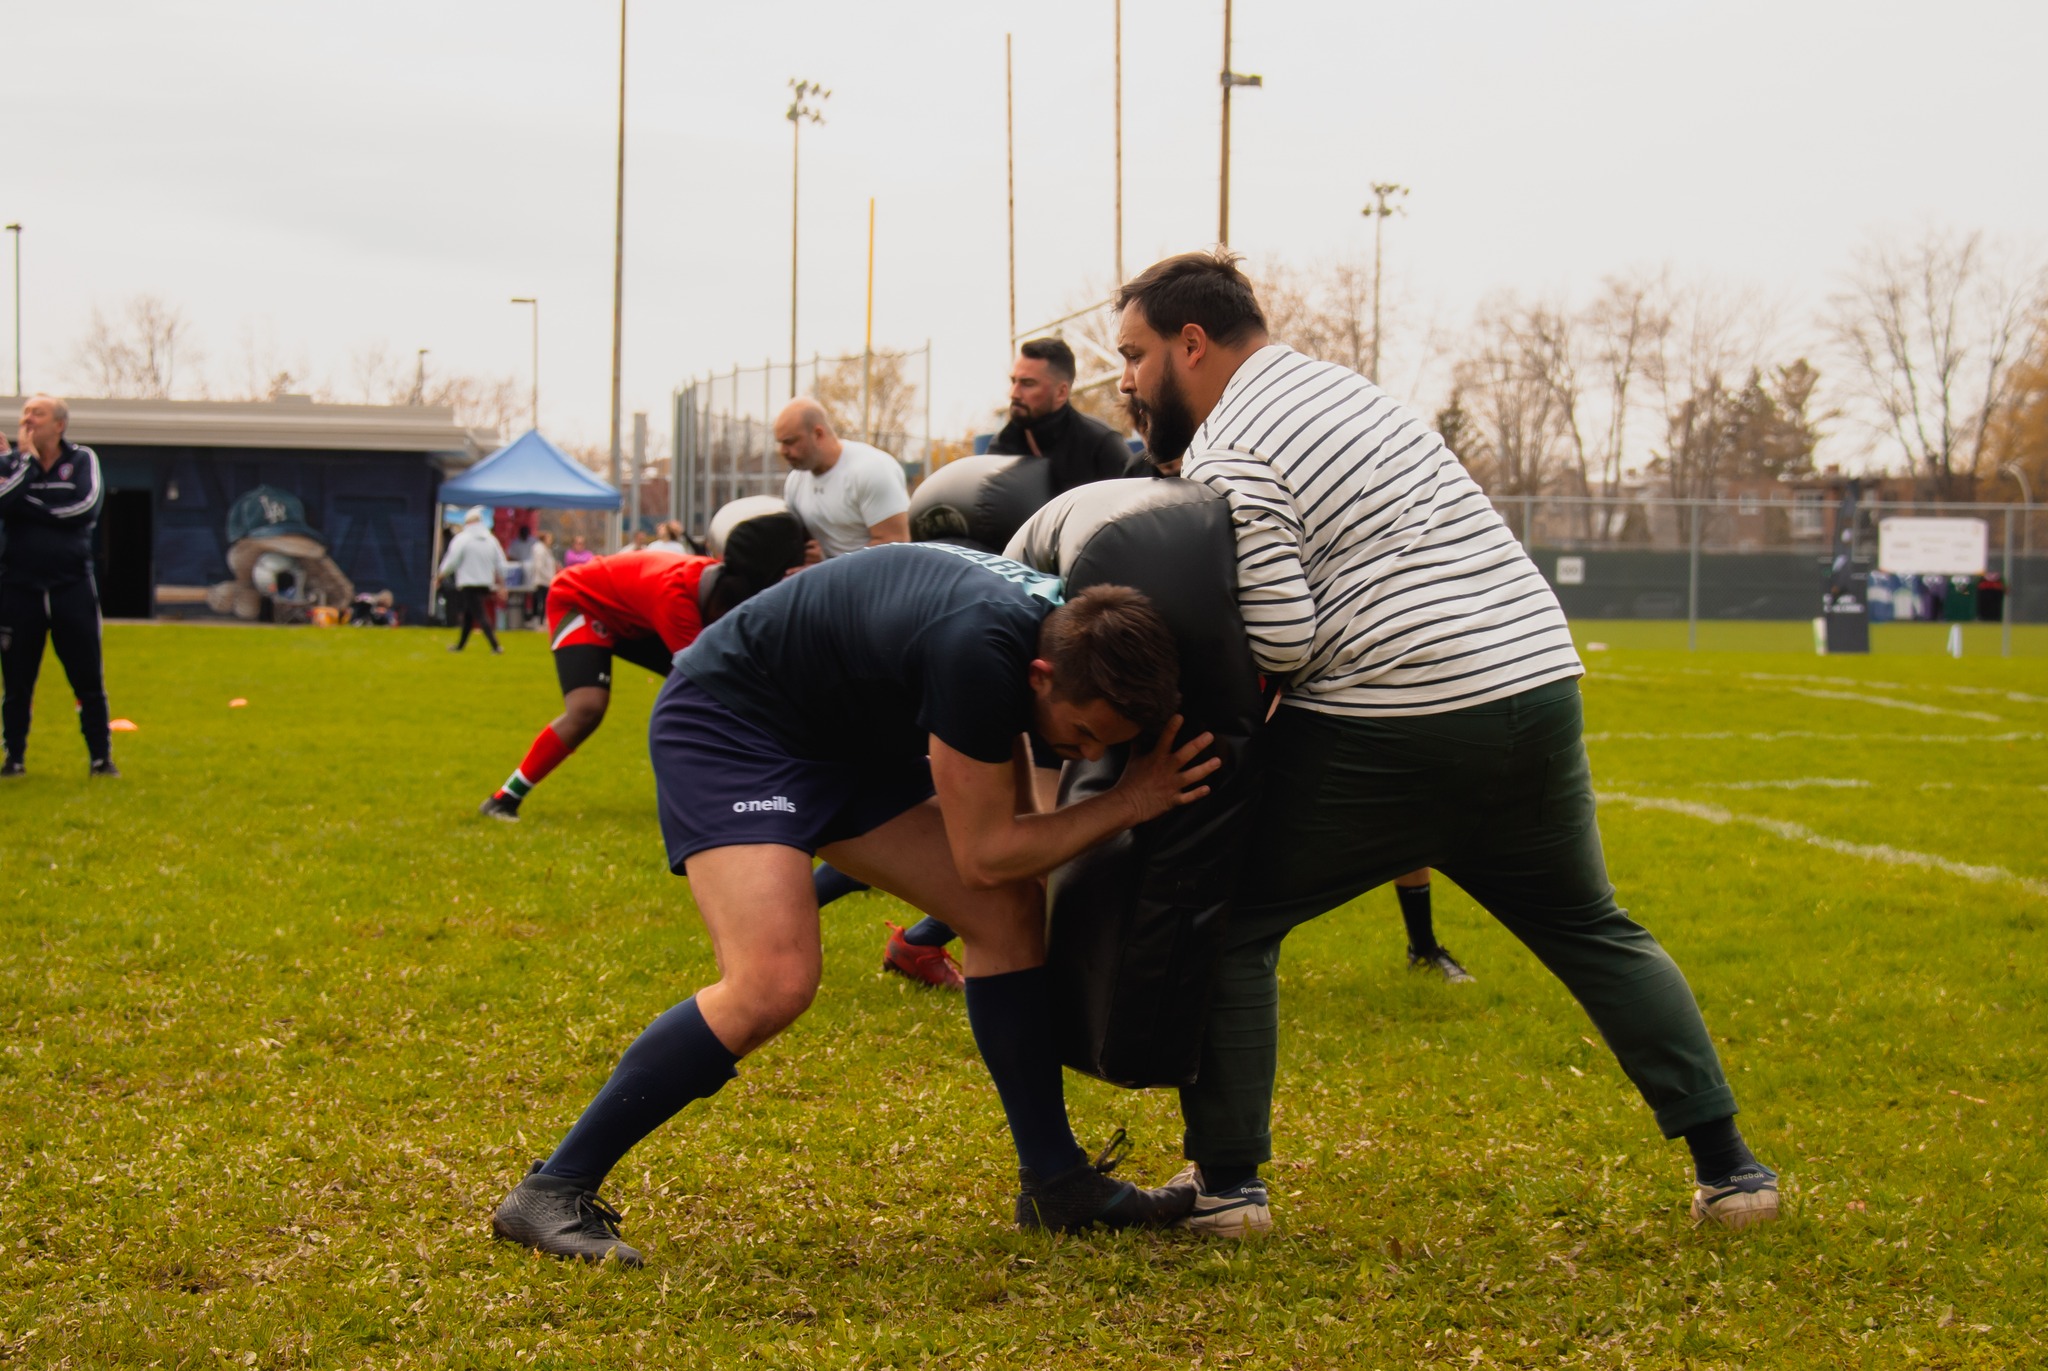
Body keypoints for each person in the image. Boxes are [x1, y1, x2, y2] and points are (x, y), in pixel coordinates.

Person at [1108, 250, 1776, 1237]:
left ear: (1190, 344)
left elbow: (1286, 639)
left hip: (1396, 712)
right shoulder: (1343, 390)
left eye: (1131, 355)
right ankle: (1732, 1172)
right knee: (1589, 925)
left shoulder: (1230, 448)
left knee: (1231, 916)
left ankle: (1227, 1187)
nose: (1123, 380)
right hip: (1533, 682)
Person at [490, 542, 1219, 1265]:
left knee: (1007, 914)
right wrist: (1128, 800)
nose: (1088, 754)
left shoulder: (1048, 637)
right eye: (1085, 733)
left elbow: (1007, 819)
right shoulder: (980, 647)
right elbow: (987, 851)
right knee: (772, 981)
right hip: (733, 724)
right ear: (1041, 674)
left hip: (842, 738)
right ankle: (553, 1188)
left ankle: (1058, 1183)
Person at [478, 517, 806, 821]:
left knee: (722, 689)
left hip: (636, 613)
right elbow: (717, 686)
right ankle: (504, 798)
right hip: (581, 600)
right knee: (588, 708)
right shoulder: (677, 599)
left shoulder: (719, 585)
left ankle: (741, 789)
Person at [0, 394, 116, 777]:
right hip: (19, 588)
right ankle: (14, 758)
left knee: (88, 679)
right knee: (17, 682)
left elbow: (85, 509)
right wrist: (27, 463)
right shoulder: (12, 463)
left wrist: (27, 504)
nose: (28, 418)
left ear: (59, 425)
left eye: (38, 413)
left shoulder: (82, 460)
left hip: (72, 587)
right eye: (26, 412)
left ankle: (100, 759)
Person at [988, 338, 1135, 494]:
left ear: (1061, 392)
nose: (1014, 393)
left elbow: (1132, 510)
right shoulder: (1002, 446)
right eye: (1013, 381)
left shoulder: (1102, 446)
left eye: (1027, 384)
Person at [774, 396, 909, 563]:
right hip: (828, 576)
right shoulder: (795, 481)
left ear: (818, 434)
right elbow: (802, 543)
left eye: (789, 442)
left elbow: (894, 547)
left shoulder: (872, 470)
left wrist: (826, 568)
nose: (782, 451)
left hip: (877, 582)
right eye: (780, 443)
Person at [439, 507, 509, 653]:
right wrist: (502, 584)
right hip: (485, 583)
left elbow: (452, 560)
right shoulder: (491, 539)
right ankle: (460, 646)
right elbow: (501, 563)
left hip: (468, 582)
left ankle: (495, 645)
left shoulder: (463, 538)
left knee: (479, 613)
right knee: (469, 615)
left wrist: (441, 575)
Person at [526, 531, 558, 623]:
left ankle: (543, 621)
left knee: (545, 602)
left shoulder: (546, 550)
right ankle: (540, 622)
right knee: (542, 602)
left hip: (546, 580)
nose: (551, 541)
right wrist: (550, 577)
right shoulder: (540, 550)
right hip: (541, 581)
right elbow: (539, 567)